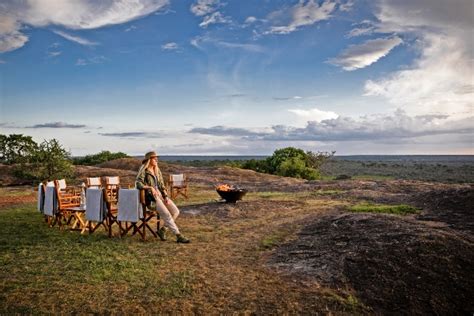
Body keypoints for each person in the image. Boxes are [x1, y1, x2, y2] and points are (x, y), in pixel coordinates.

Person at [136, 151, 190, 243]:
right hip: (151, 198)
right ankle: (178, 235)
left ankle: (163, 230)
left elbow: (161, 185)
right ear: (149, 160)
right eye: (154, 158)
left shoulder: (157, 170)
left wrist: (165, 196)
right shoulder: (144, 170)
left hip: (160, 195)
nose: (157, 159)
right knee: (167, 214)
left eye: (157, 158)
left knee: (175, 211)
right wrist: (150, 187)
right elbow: (138, 184)